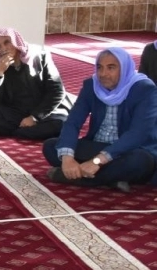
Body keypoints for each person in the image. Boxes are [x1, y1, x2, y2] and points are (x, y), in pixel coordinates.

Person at [43, 47, 157, 192]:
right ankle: (113, 178)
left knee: (141, 161)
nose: (103, 74)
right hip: (97, 145)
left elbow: (138, 134)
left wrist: (97, 161)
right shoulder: (92, 85)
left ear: (124, 69)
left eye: (111, 68)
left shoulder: (144, 89)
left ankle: (80, 179)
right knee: (51, 146)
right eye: (100, 67)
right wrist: (67, 158)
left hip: (130, 149)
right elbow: (73, 122)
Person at [0, 27, 73, 139]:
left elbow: (57, 92)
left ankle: (16, 130)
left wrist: (35, 117)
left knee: (59, 125)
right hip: (19, 112)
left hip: (47, 111)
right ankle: (22, 130)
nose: (3, 48)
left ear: (16, 42)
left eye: (7, 43)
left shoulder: (40, 56)